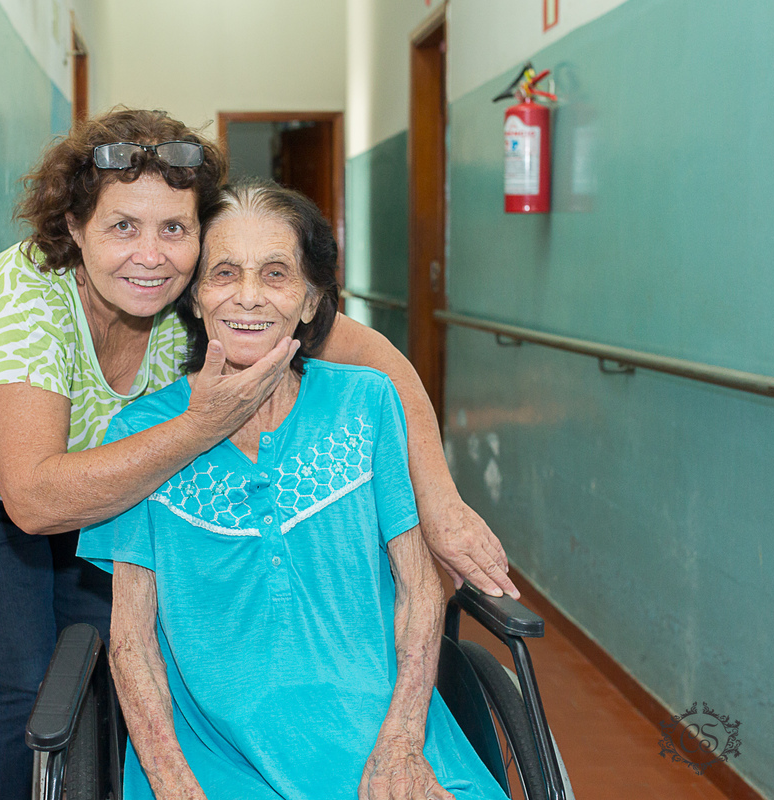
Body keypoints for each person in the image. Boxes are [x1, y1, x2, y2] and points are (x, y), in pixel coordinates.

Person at [0, 109, 514, 800]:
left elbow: (376, 361)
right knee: (20, 687)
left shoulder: (198, 289)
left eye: (174, 228)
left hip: (120, 475)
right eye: (122, 227)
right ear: (75, 228)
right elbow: (36, 500)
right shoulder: (24, 299)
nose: (151, 254)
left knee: (106, 667)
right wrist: (202, 426)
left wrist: (436, 497)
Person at [78, 180, 508, 800]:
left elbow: (419, 588)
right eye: (224, 273)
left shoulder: (367, 404)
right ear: (196, 298)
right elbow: (132, 641)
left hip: (384, 738)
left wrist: (401, 745)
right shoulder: (140, 436)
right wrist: (175, 785)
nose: (248, 297)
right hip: (215, 760)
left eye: (275, 274)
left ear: (310, 301)